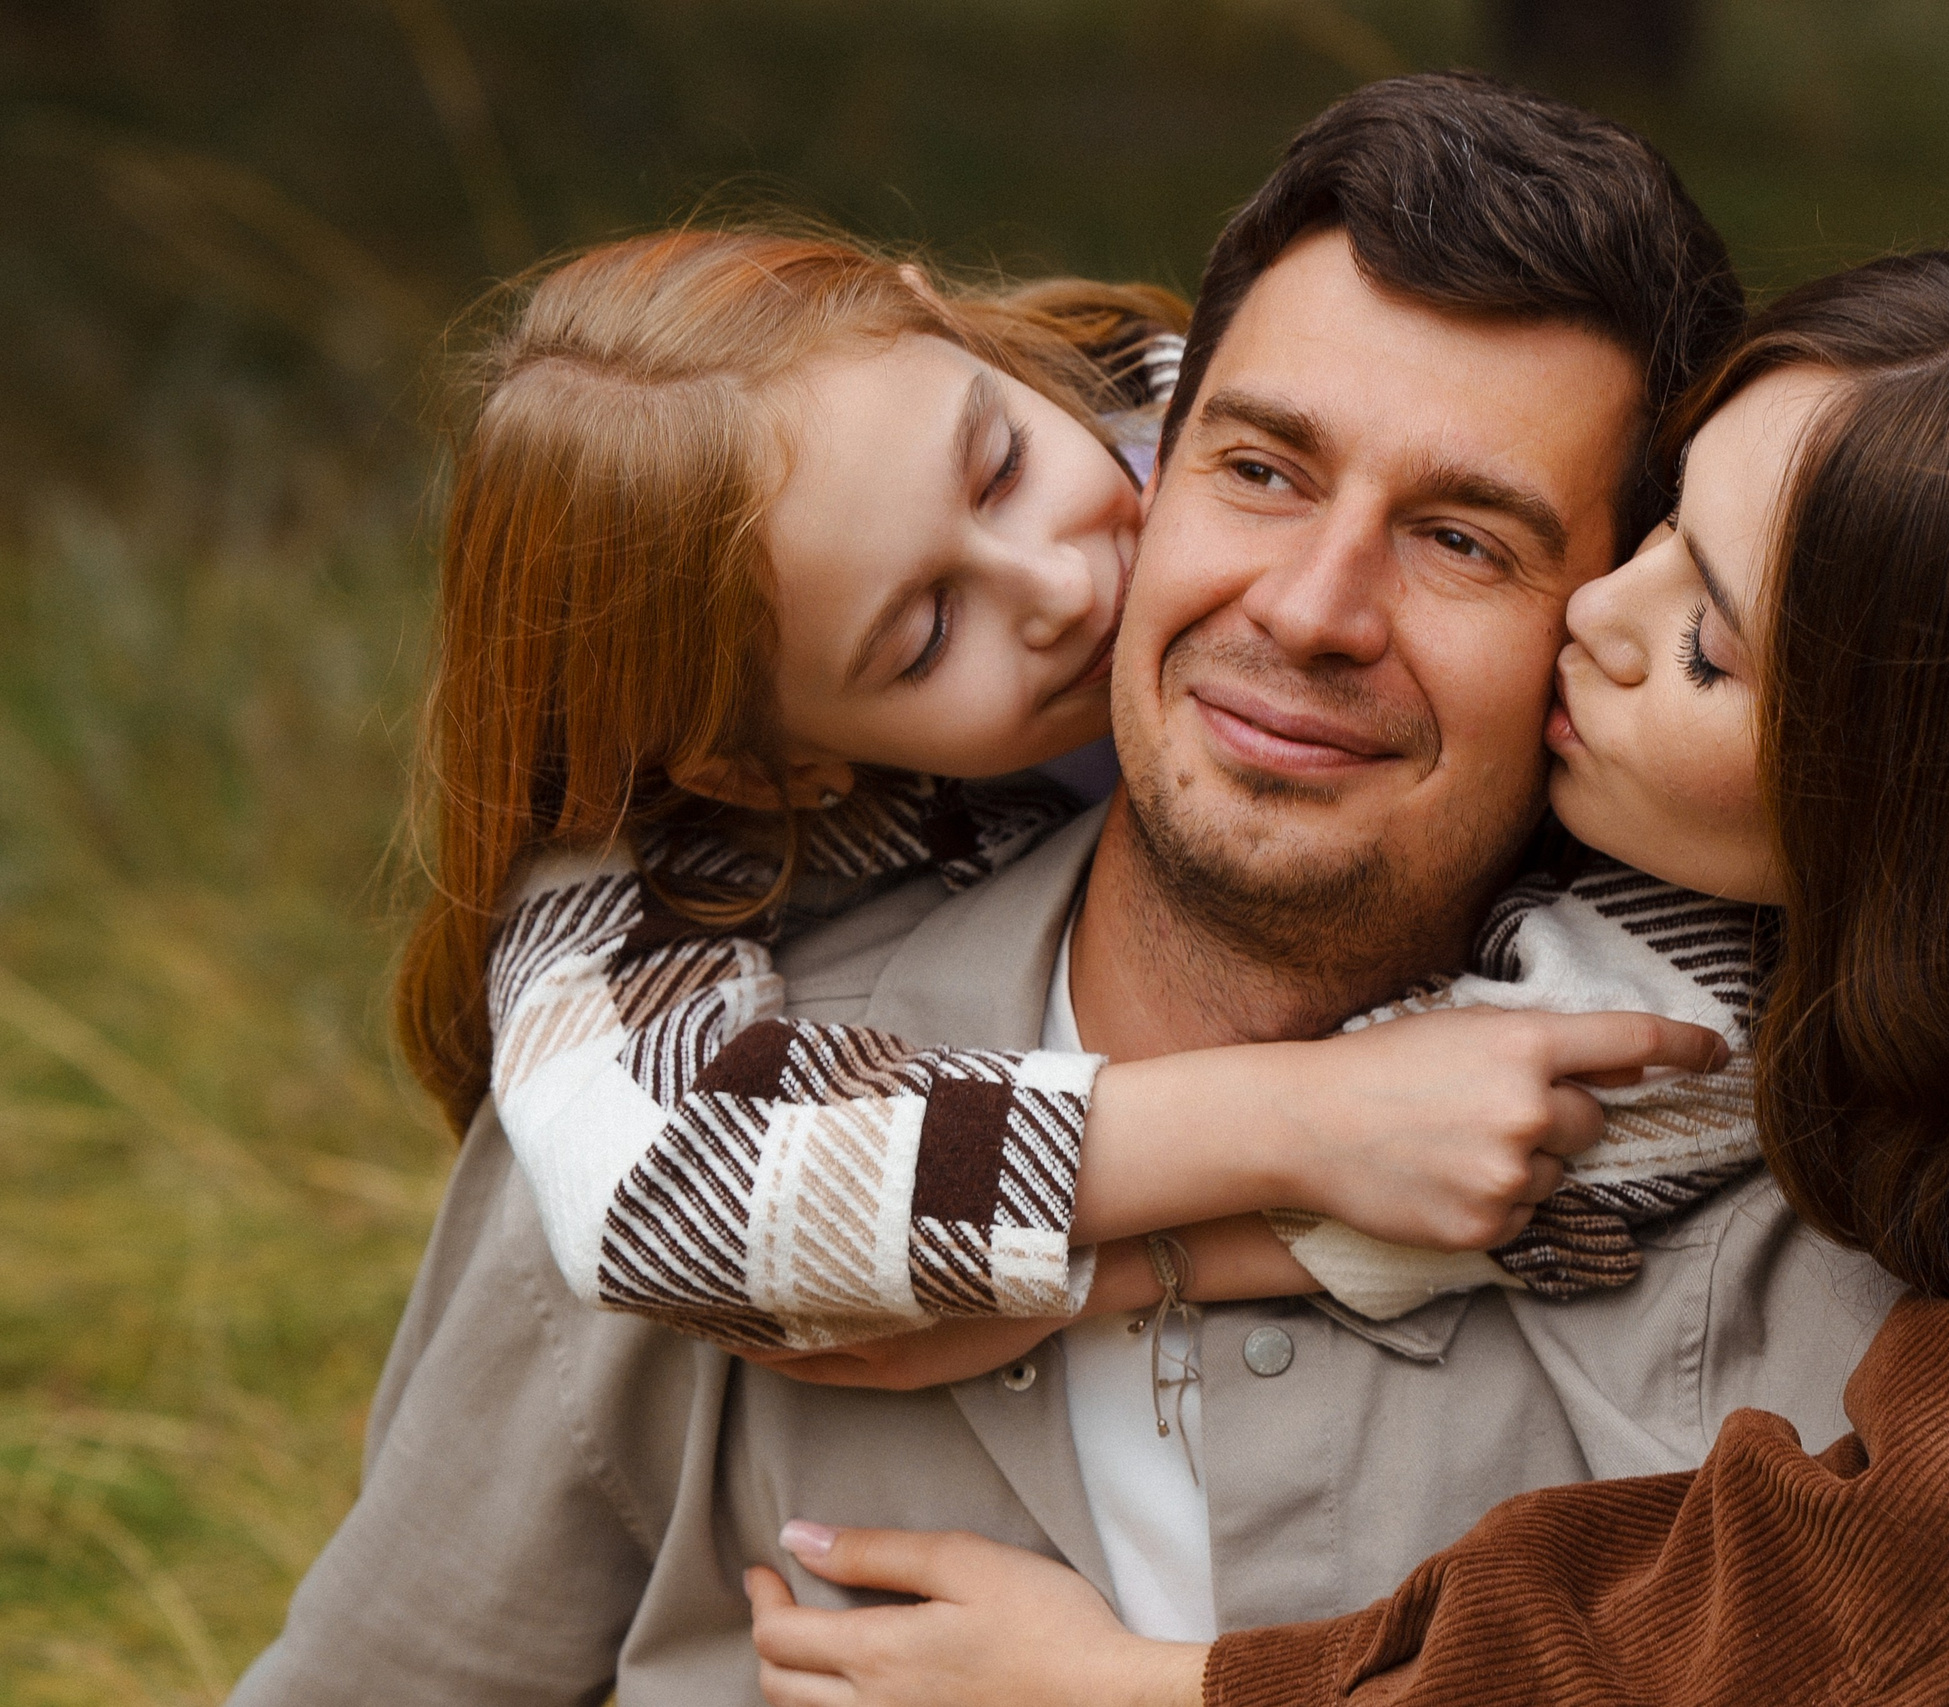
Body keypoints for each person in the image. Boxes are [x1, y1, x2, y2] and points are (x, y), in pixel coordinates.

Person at [743, 248, 1949, 1707]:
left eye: (1703, 641)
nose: (1588, 610)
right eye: (1660, 519)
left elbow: (1812, 1626)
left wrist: (1146, 1689)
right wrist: (1120, 1249)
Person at [410, 220, 1738, 1369]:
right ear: (767, 764)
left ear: (946, 322)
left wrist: (1141, 1271)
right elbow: (653, 1189)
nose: (1056, 585)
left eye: (998, 467)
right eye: (926, 635)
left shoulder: (1241, 417)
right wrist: (1295, 1126)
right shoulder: (664, 850)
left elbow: (1703, 1059)